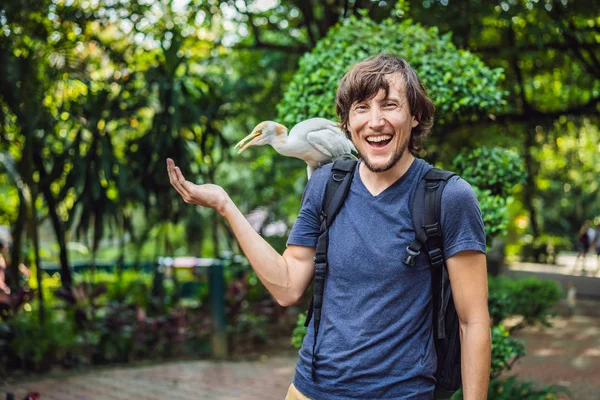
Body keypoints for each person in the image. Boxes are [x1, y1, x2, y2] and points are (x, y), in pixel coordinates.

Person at [167, 53, 491, 400]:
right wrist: (225, 206)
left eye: (390, 105)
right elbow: (287, 286)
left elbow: (473, 322)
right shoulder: (325, 185)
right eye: (361, 108)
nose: (375, 121)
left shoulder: (448, 197)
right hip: (310, 391)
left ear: (415, 116)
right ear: (347, 124)